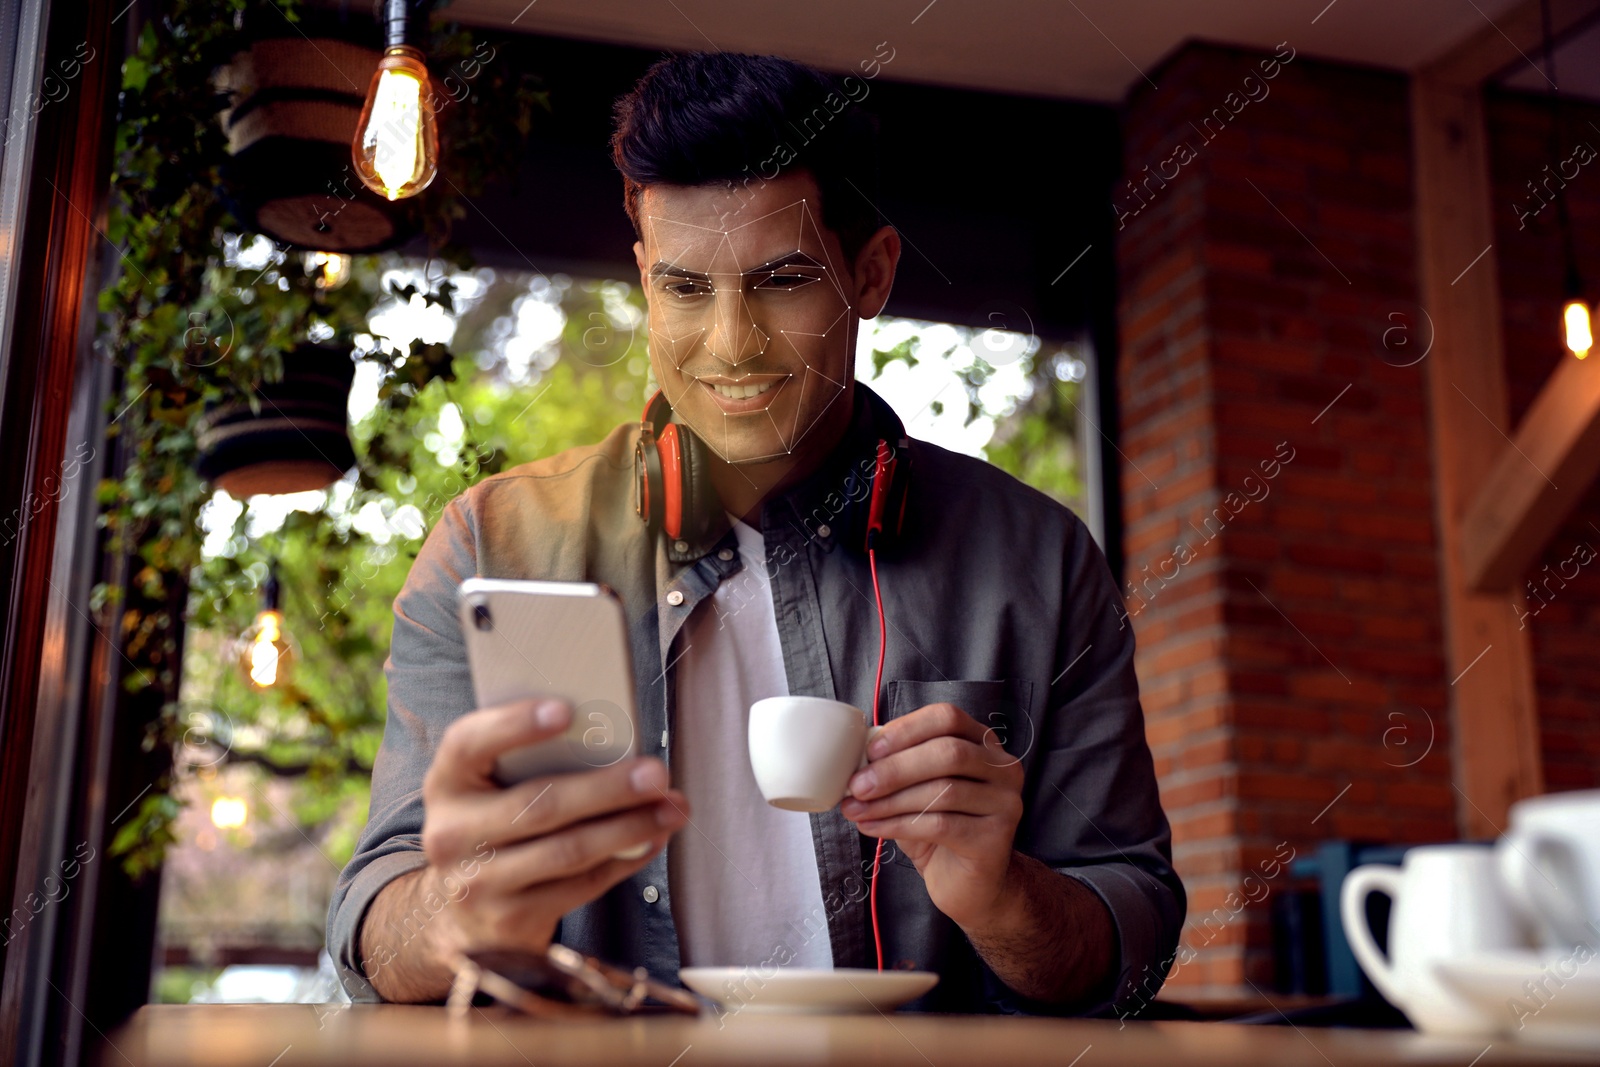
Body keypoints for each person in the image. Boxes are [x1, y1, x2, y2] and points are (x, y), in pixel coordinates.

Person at [328, 50, 1184, 1016]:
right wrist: (450, 914)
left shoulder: (1041, 560)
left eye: (781, 282)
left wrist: (1001, 895)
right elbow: (370, 926)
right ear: (646, 278)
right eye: (686, 288)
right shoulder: (491, 542)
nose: (732, 344)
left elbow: (1136, 935)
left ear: (872, 273)